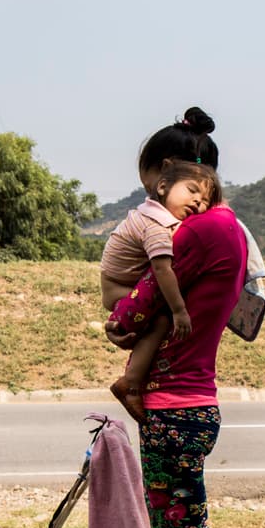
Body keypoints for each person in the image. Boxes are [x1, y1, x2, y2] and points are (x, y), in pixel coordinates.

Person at [97, 109, 246, 528]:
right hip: (179, 407)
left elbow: (127, 319)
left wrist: (120, 315)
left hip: (178, 412)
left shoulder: (199, 234)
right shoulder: (224, 228)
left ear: (168, 176)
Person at [100, 159, 222, 423]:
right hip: (119, 289)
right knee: (163, 320)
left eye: (203, 202)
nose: (197, 203)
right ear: (164, 186)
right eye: (191, 191)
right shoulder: (156, 226)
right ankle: (130, 385)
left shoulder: (151, 213)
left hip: (119, 284)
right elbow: (162, 270)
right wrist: (180, 311)